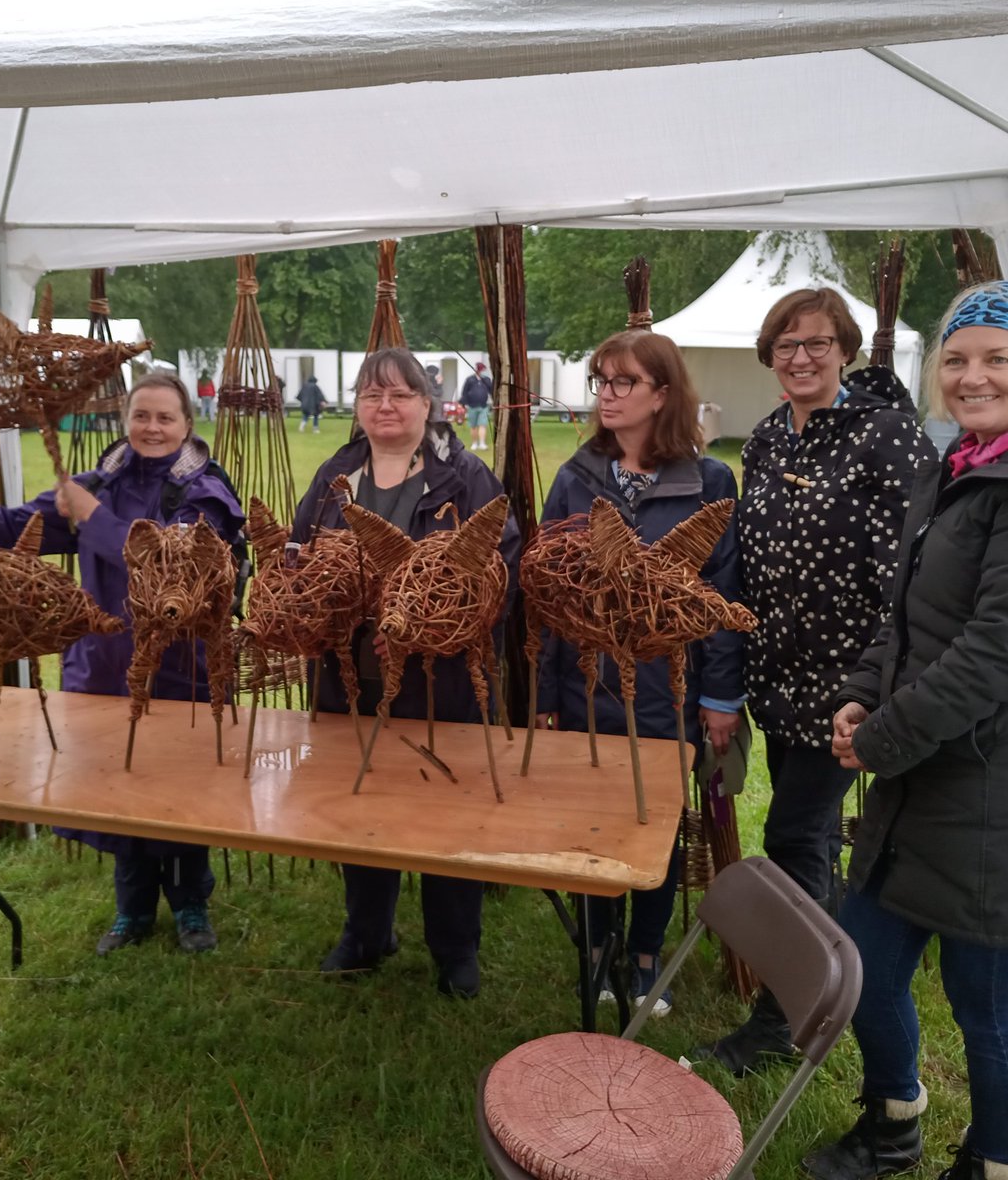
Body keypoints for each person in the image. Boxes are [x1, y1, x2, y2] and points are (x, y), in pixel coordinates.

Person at [0, 371, 245, 957]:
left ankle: (191, 904)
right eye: (141, 415)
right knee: (117, 790)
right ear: (126, 421)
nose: (151, 427)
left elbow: (172, 565)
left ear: (188, 425)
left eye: (165, 417)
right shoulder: (100, 483)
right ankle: (133, 909)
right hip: (102, 669)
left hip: (177, 668)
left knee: (182, 790)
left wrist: (91, 517)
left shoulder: (204, 492)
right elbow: (18, 528)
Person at [801, 282, 1008, 1180]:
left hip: (987, 800)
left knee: (986, 1008)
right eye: (956, 360)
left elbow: (990, 656)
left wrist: (878, 741)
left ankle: (993, 1158)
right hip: (918, 783)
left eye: (998, 359)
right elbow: (908, 621)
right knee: (864, 970)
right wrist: (858, 694)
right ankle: (896, 1117)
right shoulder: (958, 469)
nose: (973, 377)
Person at [699, 287, 930, 1075]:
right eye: (787, 344)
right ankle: (813, 988)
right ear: (770, 354)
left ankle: (788, 1015)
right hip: (779, 682)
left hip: (848, 688)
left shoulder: (884, 438)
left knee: (795, 839)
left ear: (845, 350)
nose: (801, 357)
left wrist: (882, 686)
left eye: (818, 343)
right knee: (807, 843)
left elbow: (919, 570)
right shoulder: (765, 441)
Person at [291, 346, 520, 999]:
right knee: (359, 803)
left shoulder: (467, 479)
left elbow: (498, 572)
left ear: (428, 404)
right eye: (371, 395)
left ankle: (455, 948)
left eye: (399, 394)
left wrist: (430, 613)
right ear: (357, 407)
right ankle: (367, 931)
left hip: (439, 682)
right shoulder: (336, 476)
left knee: (447, 809)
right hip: (351, 681)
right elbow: (300, 556)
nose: (384, 406)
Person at [535, 330, 745, 1016]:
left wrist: (719, 697)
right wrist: (545, 695)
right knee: (592, 823)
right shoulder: (576, 478)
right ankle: (597, 950)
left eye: (623, 382)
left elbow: (718, 596)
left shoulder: (707, 482)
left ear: (663, 393)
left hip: (667, 691)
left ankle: (647, 956)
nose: (607, 395)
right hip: (585, 687)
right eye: (601, 380)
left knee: (656, 820)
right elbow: (547, 593)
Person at [460, 361, 494, 451]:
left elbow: (491, 390)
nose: (480, 371)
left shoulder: (486, 380)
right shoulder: (470, 379)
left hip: (483, 406)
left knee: (482, 425)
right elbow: (464, 392)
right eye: (479, 369)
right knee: (473, 426)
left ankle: (482, 443)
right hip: (471, 406)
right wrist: (463, 404)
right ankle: (475, 443)